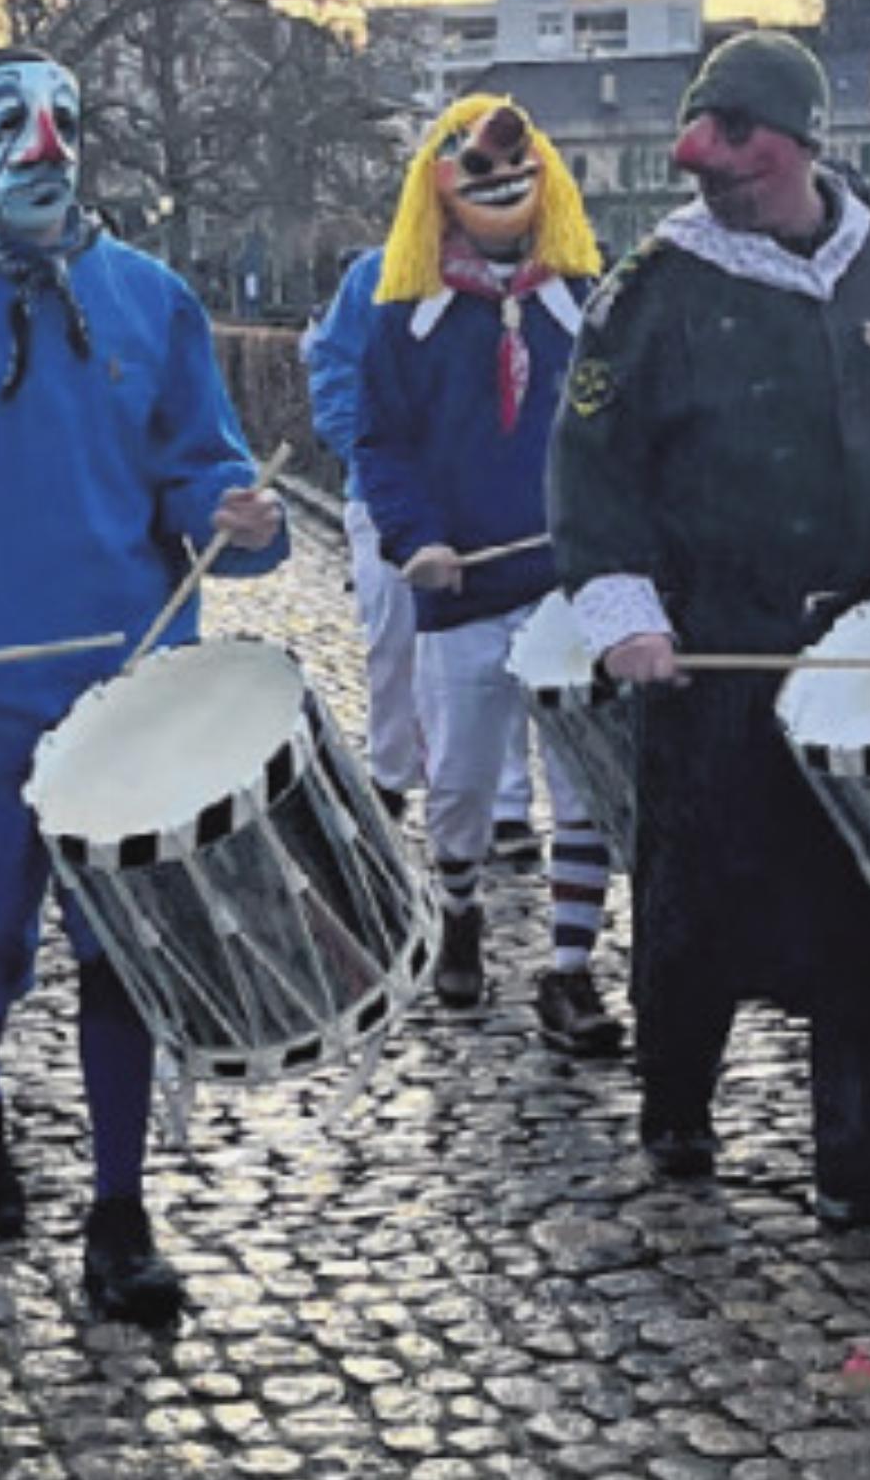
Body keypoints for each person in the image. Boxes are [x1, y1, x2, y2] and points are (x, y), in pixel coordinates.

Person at [0, 45, 286, 1324]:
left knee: (123, 953)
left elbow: (197, 465)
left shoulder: (153, 299)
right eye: (12, 121)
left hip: (127, 695)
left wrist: (227, 510)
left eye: (64, 120)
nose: (44, 144)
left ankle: (119, 1216)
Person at [549, 29, 870, 1243]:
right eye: (707, 158)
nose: (719, 177)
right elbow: (590, 478)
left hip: (862, 654)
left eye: (741, 154)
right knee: (699, 898)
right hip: (713, 658)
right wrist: (625, 617)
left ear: (800, 144)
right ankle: (678, 1096)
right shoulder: (649, 293)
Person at [353, 95, 621, 1055]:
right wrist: (414, 536)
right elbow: (380, 445)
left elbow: (620, 435)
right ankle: (459, 909)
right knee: (461, 783)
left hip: (569, 591)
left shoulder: (589, 305)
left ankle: (571, 969)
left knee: (581, 784)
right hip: (462, 588)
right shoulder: (402, 323)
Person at [305, 244, 539, 860]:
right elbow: (334, 368)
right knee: (392, 638)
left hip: (486, 505)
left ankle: (507, 802)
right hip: (389, 497)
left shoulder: (531, 276)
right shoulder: (374, 277)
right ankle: (391, 772)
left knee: (505, 644)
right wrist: (377, 462)